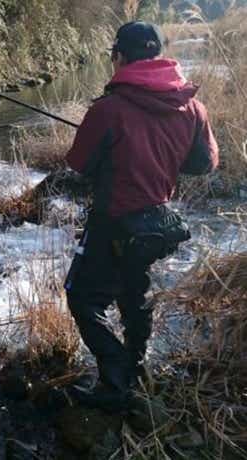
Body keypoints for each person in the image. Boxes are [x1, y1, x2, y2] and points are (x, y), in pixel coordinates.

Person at [64, 21, 219, 411]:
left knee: (83, 298)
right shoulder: (193, 107)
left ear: (120, 56)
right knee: (135, 293)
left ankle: (115, 379)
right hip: (157, 224)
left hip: (112, 221)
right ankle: (137, 364)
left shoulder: (108, 108)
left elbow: (79, 163)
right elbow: (205, 164)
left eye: (113, 56)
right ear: (158, 56)